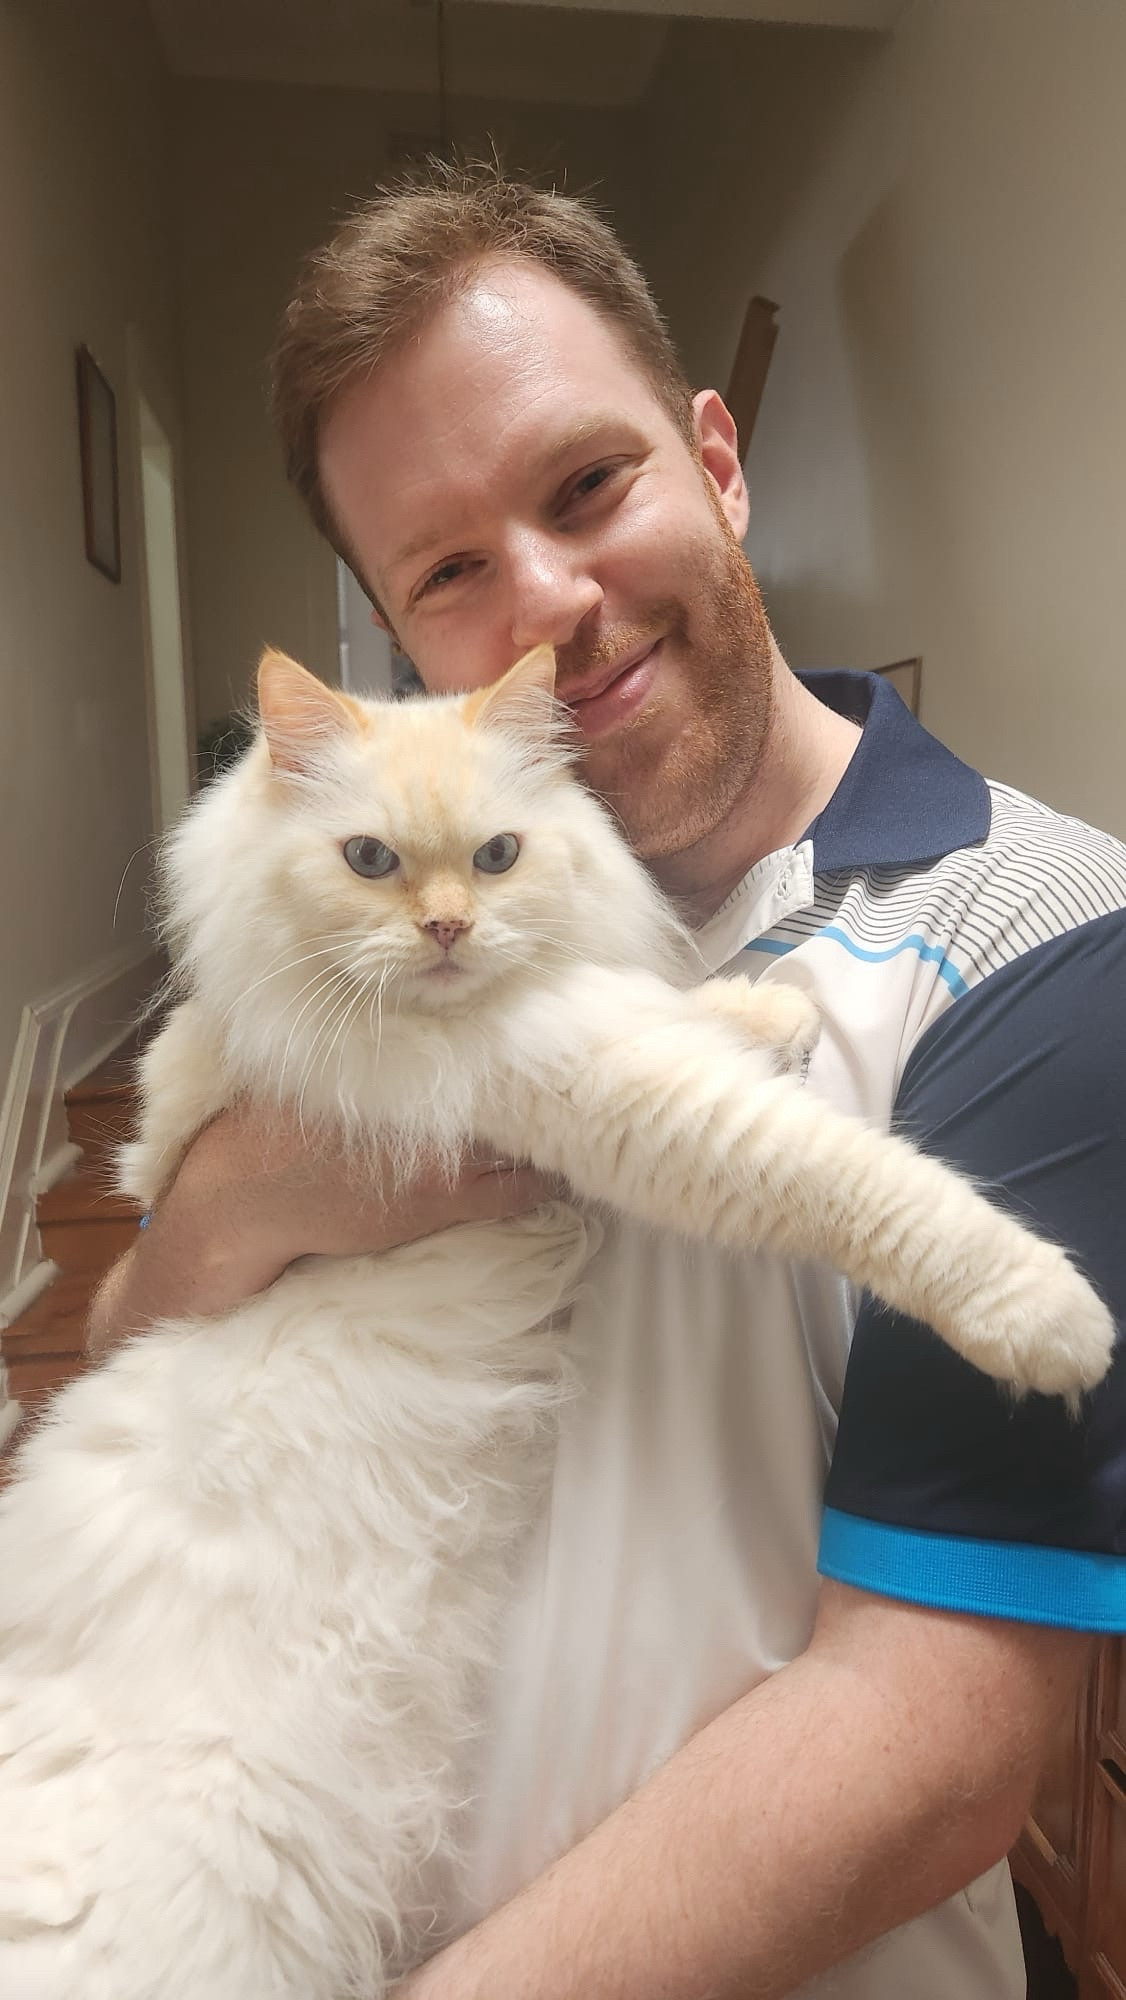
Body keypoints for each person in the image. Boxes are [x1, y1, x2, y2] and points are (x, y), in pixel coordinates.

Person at [89, 162, 1126, 1998]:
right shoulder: (413, 920)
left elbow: (935, 1743)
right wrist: (261, 1191)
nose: (551, 602)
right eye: (447, 569)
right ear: (398, 642)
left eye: (588, 484)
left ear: (716, 458)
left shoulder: (1049, 932)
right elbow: (131, 1344)